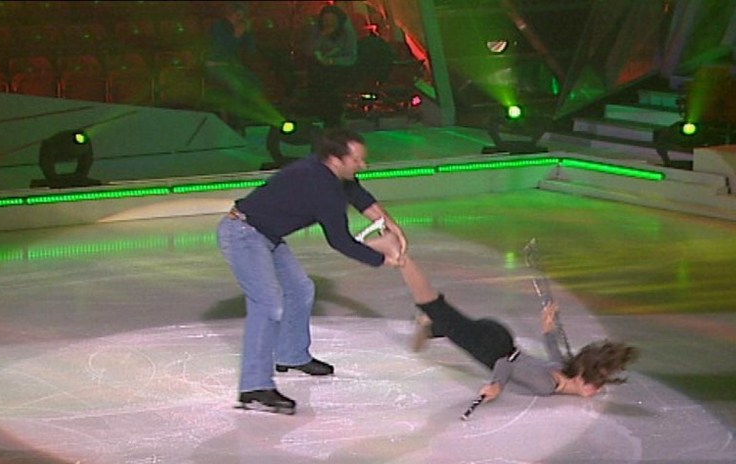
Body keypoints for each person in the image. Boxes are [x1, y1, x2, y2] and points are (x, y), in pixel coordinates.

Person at [217, 128, 408, 415]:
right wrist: (381, 260)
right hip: (243, 233)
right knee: (268, 305)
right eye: (357, 161)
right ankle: (253, 388)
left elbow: (357, 193)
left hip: (266, 235)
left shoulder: (329, 172)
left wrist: (391, 225)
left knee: (301, 289)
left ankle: (291, 354)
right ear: (336, 159)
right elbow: (340, 240)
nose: (362, 165)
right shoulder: (321, 186)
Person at [365, 232, 640, 402]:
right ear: (582, 377)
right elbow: (504, 365)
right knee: (433, 304)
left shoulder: (560, 368)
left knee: (452, 324)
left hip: (499, 335)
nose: (598, 390)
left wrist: (547, 324)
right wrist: (496, 386)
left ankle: (430, 328)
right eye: (597, 383)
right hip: (492, 348)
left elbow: (551, 344)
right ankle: (398, 253)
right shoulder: (546, 385)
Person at [205, 1, 260, 130]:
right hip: (216, 66)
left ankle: (243, 117)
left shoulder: (241, 28)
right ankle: (231, 120)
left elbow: (251, 50)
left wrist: (249, 32)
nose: (240, 19)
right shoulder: (219, 27)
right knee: (234, 84)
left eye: (242, 16)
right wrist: (236, 35)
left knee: (253, 81)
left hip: (234, 66)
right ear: (230, 14)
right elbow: (221, 50)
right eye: (238, 16)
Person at [305, 4, 358, 128]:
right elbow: (308, 50)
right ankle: (322, 113)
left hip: (342, 68)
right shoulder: (317, 31)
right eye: (325, 20)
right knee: (318, 75)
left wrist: (333, 61)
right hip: (320, 68)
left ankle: (333, 116)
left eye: (332, 21)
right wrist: (321, 37)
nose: (328, 23)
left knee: (329, 82)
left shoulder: (347, 33)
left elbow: (351, 57)